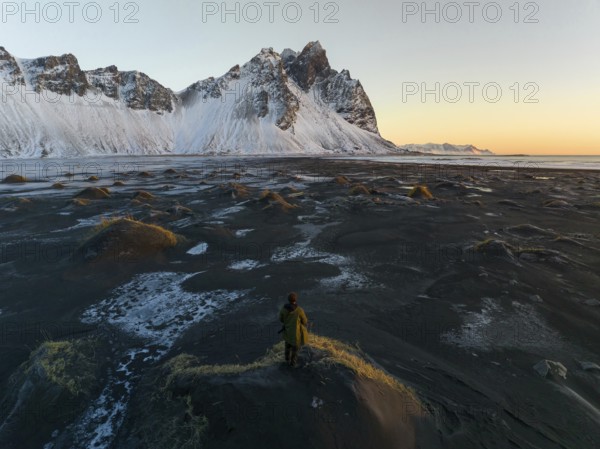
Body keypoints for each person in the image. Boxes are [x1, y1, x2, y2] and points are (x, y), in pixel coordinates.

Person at [279, 292, 308, 367]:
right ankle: (292, 364)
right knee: (295, 350)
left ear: (288, 300)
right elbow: (305, 321)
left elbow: (281, 319)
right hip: (296, 334)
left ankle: (286, 360)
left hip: (287, 332)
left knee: (287, 347)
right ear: (295, 300)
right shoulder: (299, 310)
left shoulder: (283, 309)